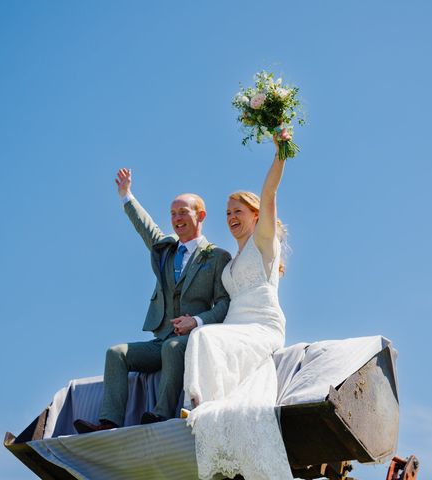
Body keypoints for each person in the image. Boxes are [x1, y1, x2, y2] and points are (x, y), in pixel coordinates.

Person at [74, 168, 231, 434]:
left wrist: (196, 321)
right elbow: (145, 226)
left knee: (172, 347)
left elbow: (225, 303)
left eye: (183, 212)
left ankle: (161, 415)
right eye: (172, 214)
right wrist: (126, 196)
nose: (176, 219)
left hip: (193, 341)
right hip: (161, 341)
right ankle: (108, 421)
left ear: (200, 215)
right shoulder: (165, 249)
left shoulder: (217, 256)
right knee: (116, 353)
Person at [183, 130, 294, 480]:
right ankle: (209, 412)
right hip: (233, 327)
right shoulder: (230, 260)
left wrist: (280, 152)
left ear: (255, 215)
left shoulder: (264, 243)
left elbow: (270, 193)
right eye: (227, 212)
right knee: (204, 338)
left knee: (205, 340)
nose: (231, 217)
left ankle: (202, 410)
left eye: (238, 211)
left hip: (260, 328)